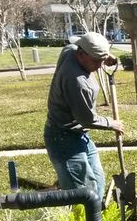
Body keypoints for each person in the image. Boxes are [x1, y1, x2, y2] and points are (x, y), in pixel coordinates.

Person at [44, 31, 124, 199]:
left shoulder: (69, 52)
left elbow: (73, 44)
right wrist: (111, 123)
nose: (100, 65)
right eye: (97, 61)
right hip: (63, 139)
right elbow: (87, 119)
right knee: (84, 194)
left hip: (79, 136)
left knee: (98, 182)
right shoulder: (77, 82)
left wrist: (103, 55)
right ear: (81, 55)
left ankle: (97, 219)